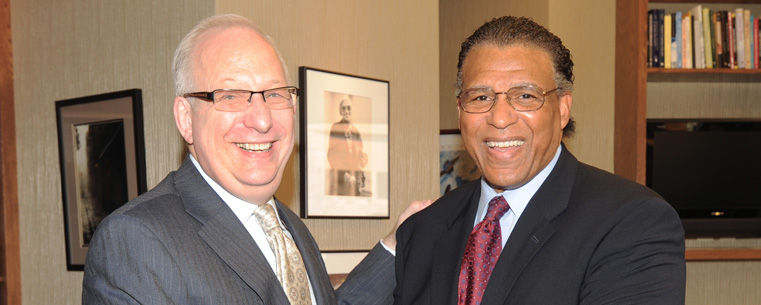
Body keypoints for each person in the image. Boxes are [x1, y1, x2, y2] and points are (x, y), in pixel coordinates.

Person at [82, 14, 428, 305]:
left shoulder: (290, 229)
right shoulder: (137, 239)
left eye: (275, 94)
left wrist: (394, 244)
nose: (262, 120)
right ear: (186, 118)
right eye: (230, 96)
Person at [393, 16, 686, 305]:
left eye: (525, 96)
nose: (499, 118)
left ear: (562, 109)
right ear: (460, 111)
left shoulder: (631, 222)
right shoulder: (422, 231)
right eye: (480, 98)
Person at [327, 95, 369, 196]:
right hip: (340, 180)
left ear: (352, 111)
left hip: (355, 180)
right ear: (340, 111)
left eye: (349, 108)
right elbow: (331, 155)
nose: (346, 111)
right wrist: (344, 174)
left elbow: (362, 156)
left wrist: (356, 174)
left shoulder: (356, 131)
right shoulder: (335, 128)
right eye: (343, 108)